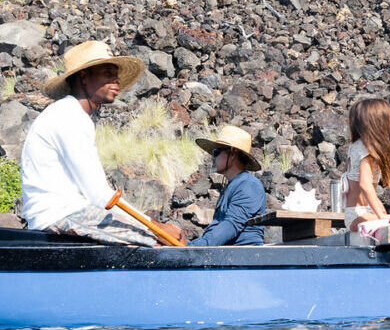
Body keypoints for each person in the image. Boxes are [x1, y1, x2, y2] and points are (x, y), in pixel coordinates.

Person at [21, 40, 178, 245]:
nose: (117, 82)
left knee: (151, 235)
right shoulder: (69, 116)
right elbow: (99, 195)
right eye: (108, 74)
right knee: (154, 242)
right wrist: (155, 227)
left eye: (116, 75)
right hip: (59, 215)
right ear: (84, 76)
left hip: (69, 212)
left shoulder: (72, 114)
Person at [343, 97, 390, 244]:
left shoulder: (357, 146)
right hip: (359, 214)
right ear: (378, 123)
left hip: (356, 213)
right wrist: (382, 215)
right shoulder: (366, 150)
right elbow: (365, 185)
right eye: (389, 118)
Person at [194, 125, 266, 246]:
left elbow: (231, 225)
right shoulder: (233, 185)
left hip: (244, 260)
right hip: (229, 257)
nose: (213, 157)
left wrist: (193, 247)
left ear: (232, 153)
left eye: (216, 152)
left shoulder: (249, 185)